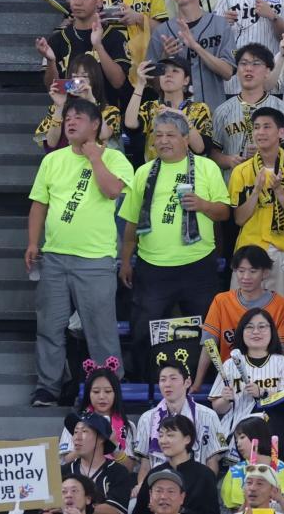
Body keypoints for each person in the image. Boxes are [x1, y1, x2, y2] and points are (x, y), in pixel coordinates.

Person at [25, 97, 133, 406]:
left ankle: (109, 391)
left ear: (96, 124)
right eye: (67, 117)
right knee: (49, 326)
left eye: (79, 118)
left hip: (96, 260)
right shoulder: (53, 160)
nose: (71, 122)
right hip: (55, 257)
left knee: (100, 330)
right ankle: (48, 386)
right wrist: (34, 243)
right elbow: (39, 205)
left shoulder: (113, 157)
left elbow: (113, 191)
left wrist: (95, 158)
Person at [118, 109, 229, 380]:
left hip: (198, 265)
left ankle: (211, 380)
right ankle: (149, 381)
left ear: (185, 138)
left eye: (170, 135)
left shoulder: (206, 167)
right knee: (144, 326)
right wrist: (125, 260)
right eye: (158, 136)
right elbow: (131, 222)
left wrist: (202, 205)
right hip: (153, 266)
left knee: (208, 327)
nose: (164, 141)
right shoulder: (144, 172)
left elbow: (224, 212)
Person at [227, 106, 284, 307]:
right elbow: (238, 219)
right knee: (241, 311)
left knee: (283, 311)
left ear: (281, 132)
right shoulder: (241, 171)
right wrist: (255, 191)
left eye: (266, 127)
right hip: (249, 247)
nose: (260, 132)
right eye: (256, 127)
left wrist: (279, 191)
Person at [192, 245, 284, 391]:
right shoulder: (221, 301)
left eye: (253, 271)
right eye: (241, 271)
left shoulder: (282, 306)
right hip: (230, 377)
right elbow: (209, 344)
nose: (246, 277)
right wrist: (197, 383)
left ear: (265, 273)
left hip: (268, 379)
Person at [144, 0, 236, 114]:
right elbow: (153, 84)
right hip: (172, 116)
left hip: (213, 112)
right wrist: (165, 58)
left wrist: (195, 46)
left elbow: (227, 72)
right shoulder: (162, 32)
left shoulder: (220, 24)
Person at [36, 0, 131, 110]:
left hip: (106, 117)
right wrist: (51, 61)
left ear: (99, 0)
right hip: (68, 117)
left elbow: (118, 82)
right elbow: (53, 88)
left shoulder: (114, 37)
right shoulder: (57, 39)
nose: (77, 2)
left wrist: (98, 45)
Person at [211, 44, 284, 176]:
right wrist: (229, 160)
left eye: (256, 64)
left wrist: (265, 154)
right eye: (243, 63)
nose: (248, 69)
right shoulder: (222, 110)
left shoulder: (282, 108)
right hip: (234, 187)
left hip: (272, 187)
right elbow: (213, 154)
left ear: (268, 71)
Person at [133, 361, 226, 480]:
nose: (167, 384)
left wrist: (205, 488)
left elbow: (212, 461)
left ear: (187, 382)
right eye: (163, 380)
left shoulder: (208, 416)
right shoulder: (147, 418)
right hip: (159, 485)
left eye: (173, 378)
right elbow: (145, 464)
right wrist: (142, 488)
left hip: (196, 483)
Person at [210, 308, 284, 431]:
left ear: (272, 331)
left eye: (262, 327)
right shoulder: (230, 364)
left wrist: (264, 393)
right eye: (249, 327)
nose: (256, 332)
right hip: (235, 431)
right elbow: (218, 408)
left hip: (272, 429)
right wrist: (225, 399)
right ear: (241, 332)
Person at [124, 56, 213, 162]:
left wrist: (183, 119)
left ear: (186, 80)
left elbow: (200, 149)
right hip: (155, 173)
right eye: (164, 71)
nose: (168, 74)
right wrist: (140, 84)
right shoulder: (150, 107)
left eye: (175, 70)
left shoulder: (199, 109)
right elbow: (130, 123)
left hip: (188, 173)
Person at [59, 363, 136, 469]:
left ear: (116, 394)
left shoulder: (128, 426)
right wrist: (85, 444)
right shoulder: (75, 423)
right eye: (96, 391)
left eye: (108, 391)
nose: (101, 397)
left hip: (114, 482)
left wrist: (114, 446)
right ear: (88, 394)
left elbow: (129, 468)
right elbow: (65, 462)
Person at [38, 55, 122, 152]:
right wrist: (60, 106)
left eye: (84, 76)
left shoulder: (110, 111)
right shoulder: (56, 108)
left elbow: (103, 135)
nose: (78, 81)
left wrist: (92, 102)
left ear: (94, 79)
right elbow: (51, 143)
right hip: (67, 162)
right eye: (74, 77)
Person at [61, 412, 132, 514]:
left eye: (84, 431)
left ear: (101, 438)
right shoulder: (63, 471)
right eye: (75, 432)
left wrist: (78, 506)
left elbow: (116, 510)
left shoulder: (118, 472)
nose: (77, 437)